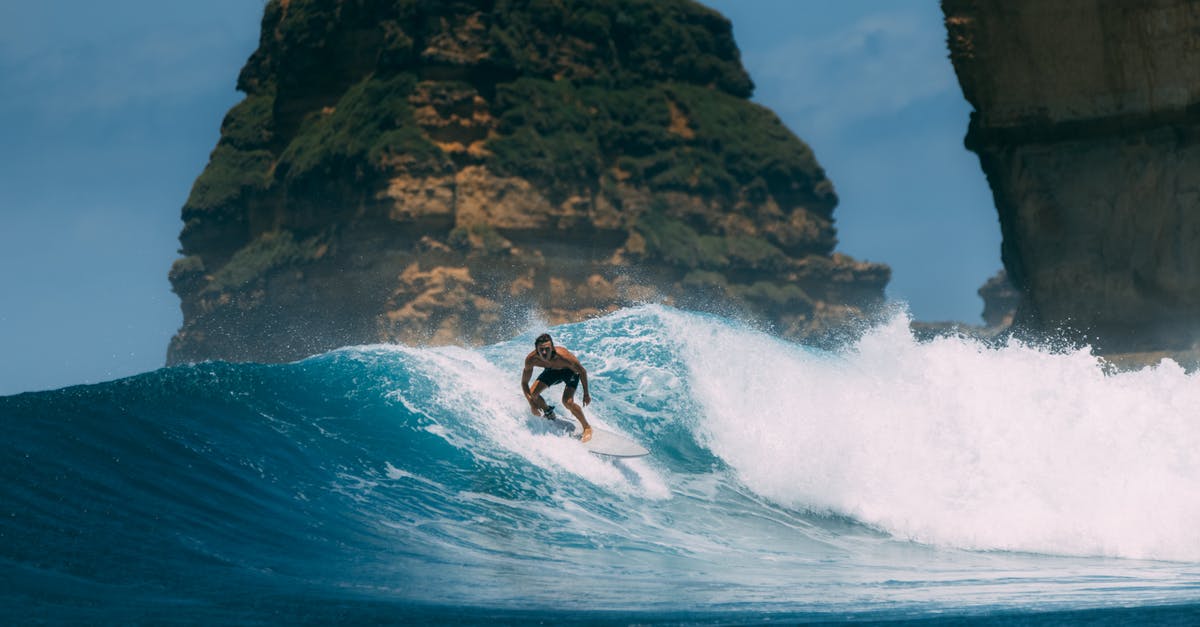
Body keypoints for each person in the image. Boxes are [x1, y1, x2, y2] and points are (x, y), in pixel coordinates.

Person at [521, 333, 593, 442]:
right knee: (533, 395)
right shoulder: (531, 360)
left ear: (552, 348)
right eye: (541, 350)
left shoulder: (565, 358)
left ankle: (587, 427)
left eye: (547, 349)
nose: (544, 352)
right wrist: (532, 404)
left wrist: (586, 394)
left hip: (570, 373)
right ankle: (549, 412)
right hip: (552, 371)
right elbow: (524, 383)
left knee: (567, 402)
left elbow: (582, 371)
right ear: (536, 349)